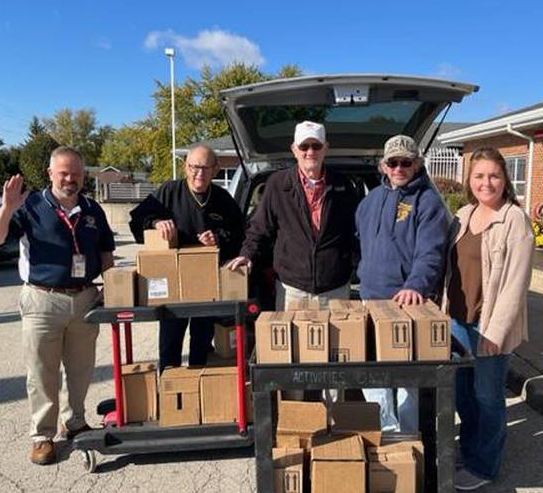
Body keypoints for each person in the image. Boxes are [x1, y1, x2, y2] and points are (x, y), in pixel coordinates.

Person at [0, 146, 115, 465]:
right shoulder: (29, 206)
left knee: (82, 370)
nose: (71, 179)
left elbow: (107, 253)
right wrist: (6, 208)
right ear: (51, 174)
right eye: (64, 173)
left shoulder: (93, 210)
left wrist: (113, 289)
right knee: (43, 372)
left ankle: (75, 422)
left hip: (85, 298)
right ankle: (42, 435)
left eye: (77, 174)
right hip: (42, 299)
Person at [445, 147, 533, 490]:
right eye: (479, 176)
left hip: (488, 323)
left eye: (493, 176)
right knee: (463, 393)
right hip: (456, 319)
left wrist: (496, 331)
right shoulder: (464, 214)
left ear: (505, 180)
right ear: (469, 180)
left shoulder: (514, 219)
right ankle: (469, 450)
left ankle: (484, 466)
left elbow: (517, 281)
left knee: (488, 396)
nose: (486, 183)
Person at [356, 135, 451, 433]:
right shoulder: (369, 201)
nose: (399, 168)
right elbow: (358, 241)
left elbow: (430, 252)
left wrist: (415, 286)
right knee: (373, 373)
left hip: (406, 304)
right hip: (369, 300)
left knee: (407, 379)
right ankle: (385, 436)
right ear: (383, 165)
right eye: (393, 162)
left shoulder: (428, 202)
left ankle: (408, 442)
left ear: (418, 164)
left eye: (406, 162)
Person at [129, 144, 244, 369]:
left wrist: (218, 238)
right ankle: (172, 393)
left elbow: (240, 234)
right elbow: (136, 221)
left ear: (216, 169)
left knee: (202, 344)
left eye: (204, 167)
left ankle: (197, 391)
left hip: (207, 286)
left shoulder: (223, 199)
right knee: (170, 345)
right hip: (173, 287)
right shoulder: (168, 192)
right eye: (193, 167)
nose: (198, 173)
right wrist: (155, 222)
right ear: (185, 167)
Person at [227, 121, 358, 310]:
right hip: (292, 290)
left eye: (316, 146)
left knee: (340, 342)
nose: (310, 152)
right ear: (294, 149)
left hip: (335, 289)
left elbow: (356, 232)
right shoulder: (277, 184)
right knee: (292, 341)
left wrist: (357, 266)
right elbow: (259, 228)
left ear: (325, 148)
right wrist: (247, 255)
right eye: (304, 146)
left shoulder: (343, 185)